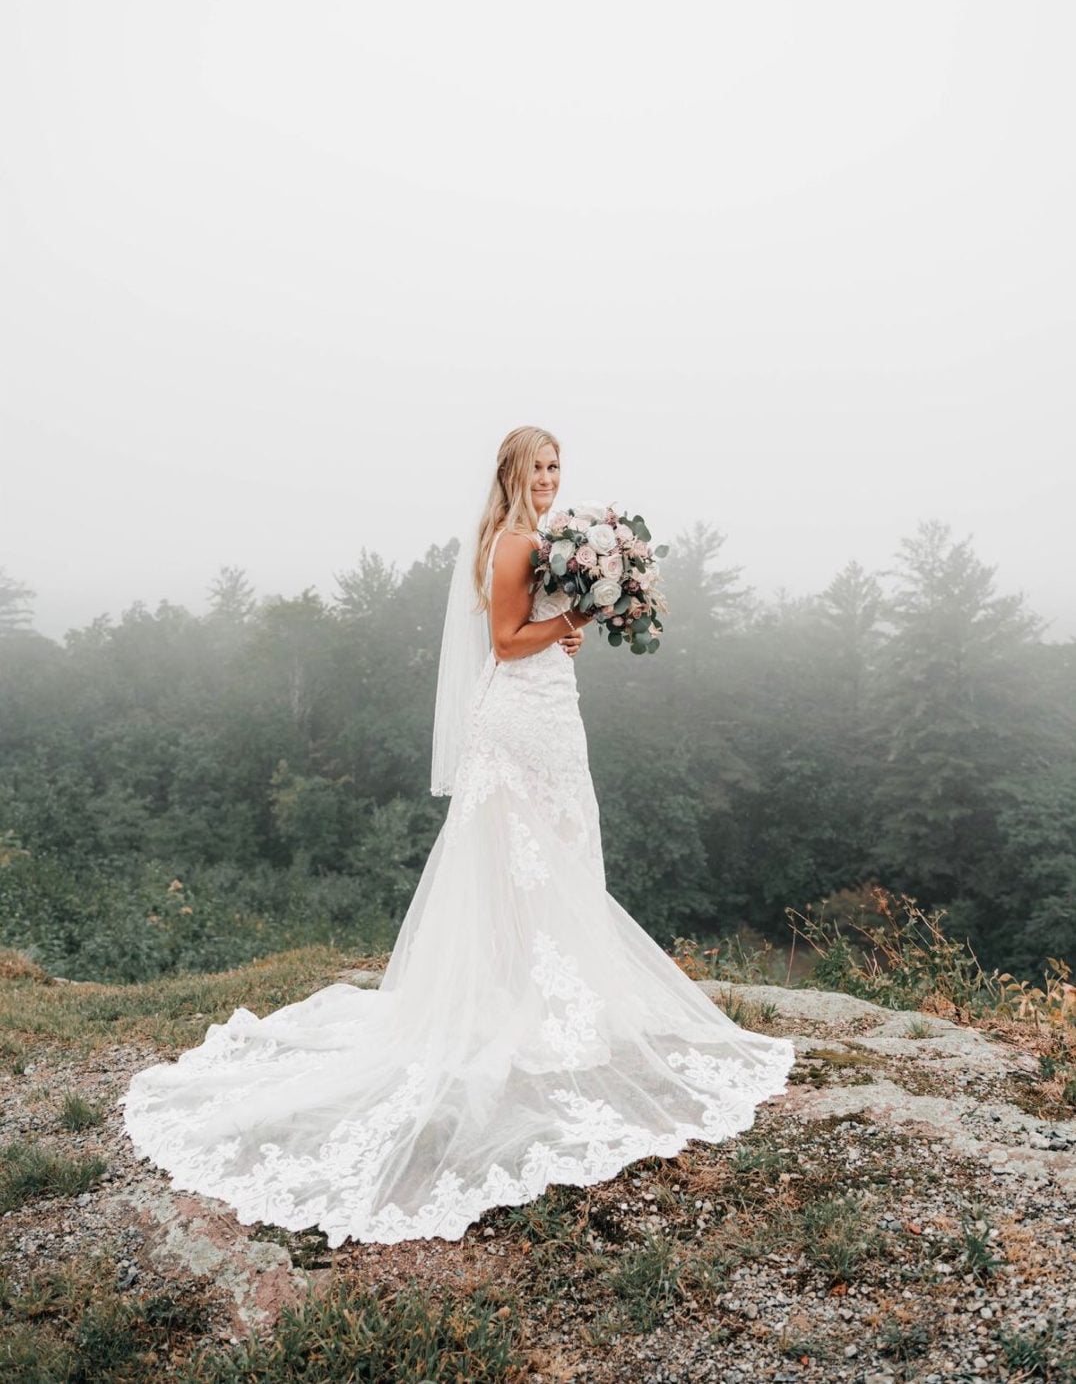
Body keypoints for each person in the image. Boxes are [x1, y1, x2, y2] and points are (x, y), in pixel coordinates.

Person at [119, 425, 795, 1246]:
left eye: (556, 466)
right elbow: (507, 644)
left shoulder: (543, 538)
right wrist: (579, 610)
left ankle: (547, 992)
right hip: (518, 722)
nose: (549, 478)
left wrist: (574, 623)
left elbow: (537, 631)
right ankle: (520, 1001)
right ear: (512, 472)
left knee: (557, 851)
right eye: (537, 467)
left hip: (550, 713)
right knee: (525, 860)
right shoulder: (512, 542)